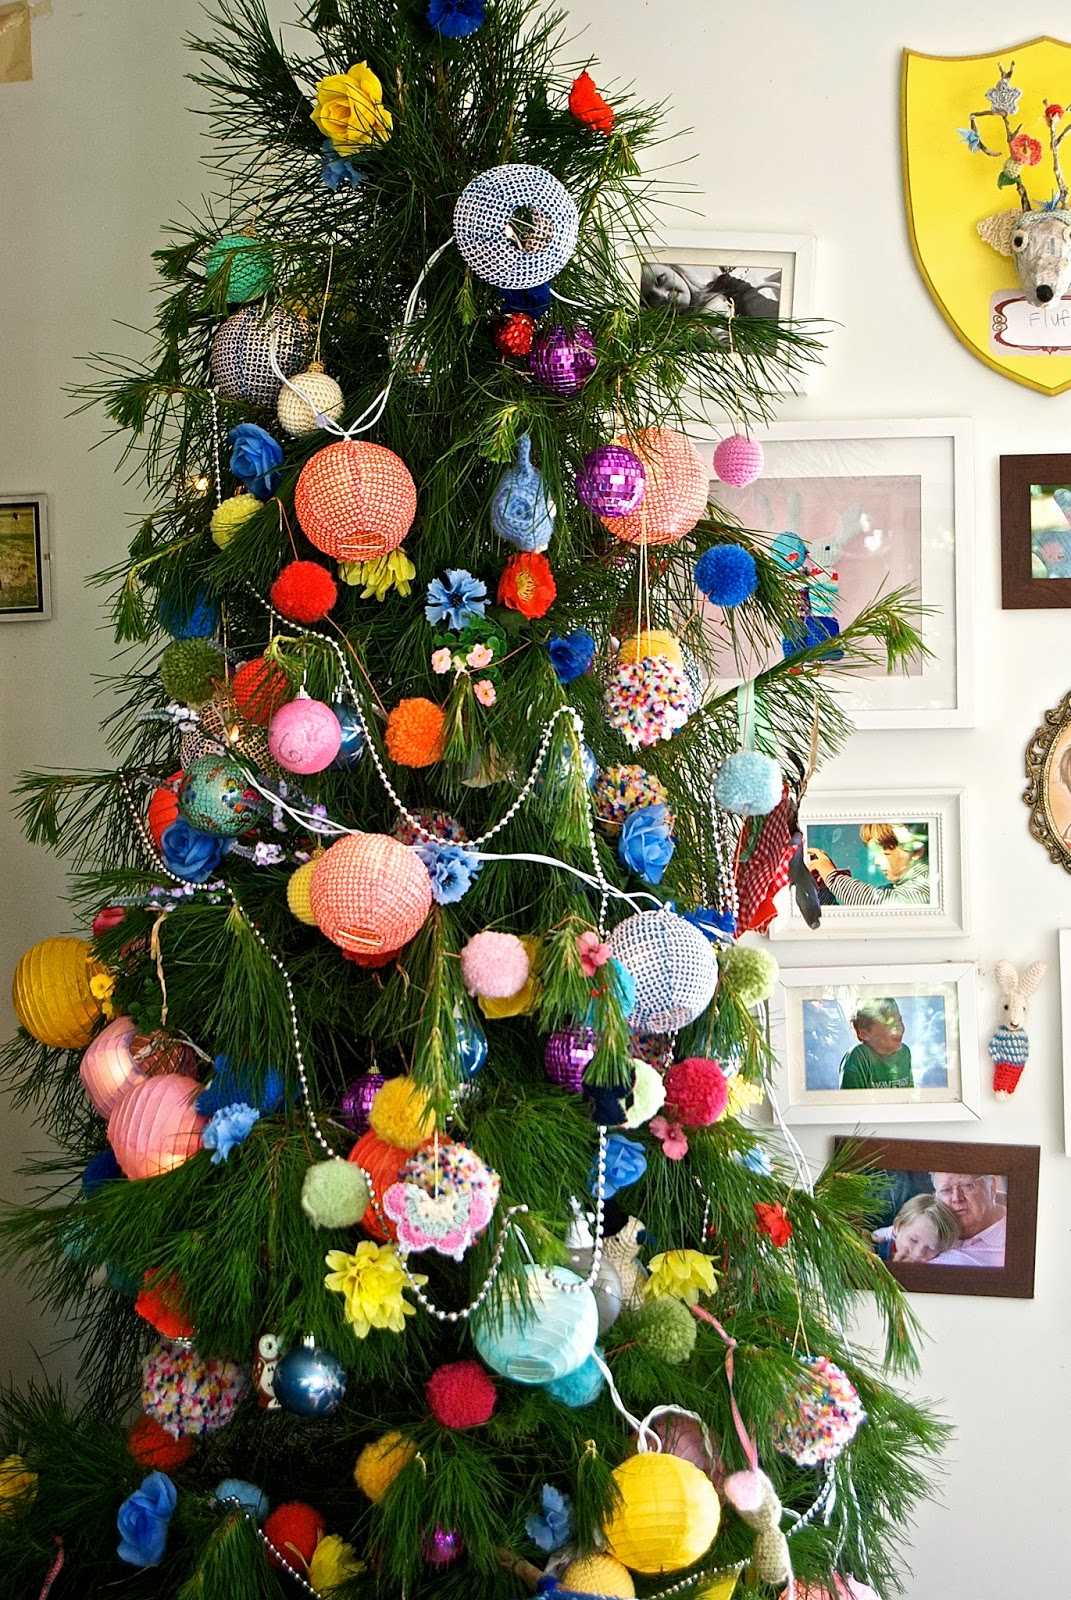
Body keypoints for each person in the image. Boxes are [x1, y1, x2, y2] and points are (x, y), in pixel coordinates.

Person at [807, 822, 930, 907]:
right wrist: (821, 890)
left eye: (886, 854)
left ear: (917, 850)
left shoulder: (927, 884)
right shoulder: (896, 889)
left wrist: (832, 877)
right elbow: (856, 919)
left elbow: (881, 906)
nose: (877, 861)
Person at [927, 1173, 1006, 1267]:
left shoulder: (1019, 1239)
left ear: (991, 1187)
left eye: (967, 1186)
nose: (956, 1198)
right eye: (946, 1190)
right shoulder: (925, 1226)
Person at [839, 998, 913, 1089]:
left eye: (899, 1021)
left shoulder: (904, 1053)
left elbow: (909, 1094)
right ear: (865, 1034)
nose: (899, 1028)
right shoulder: (859, 1057)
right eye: (889, 1025)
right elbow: (851, 1100)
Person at [871, 1192, 960, 1263]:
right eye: (913, 1240)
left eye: (930, 1248)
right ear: (897, 1226)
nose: (918, 1253)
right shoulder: (877, 1242)